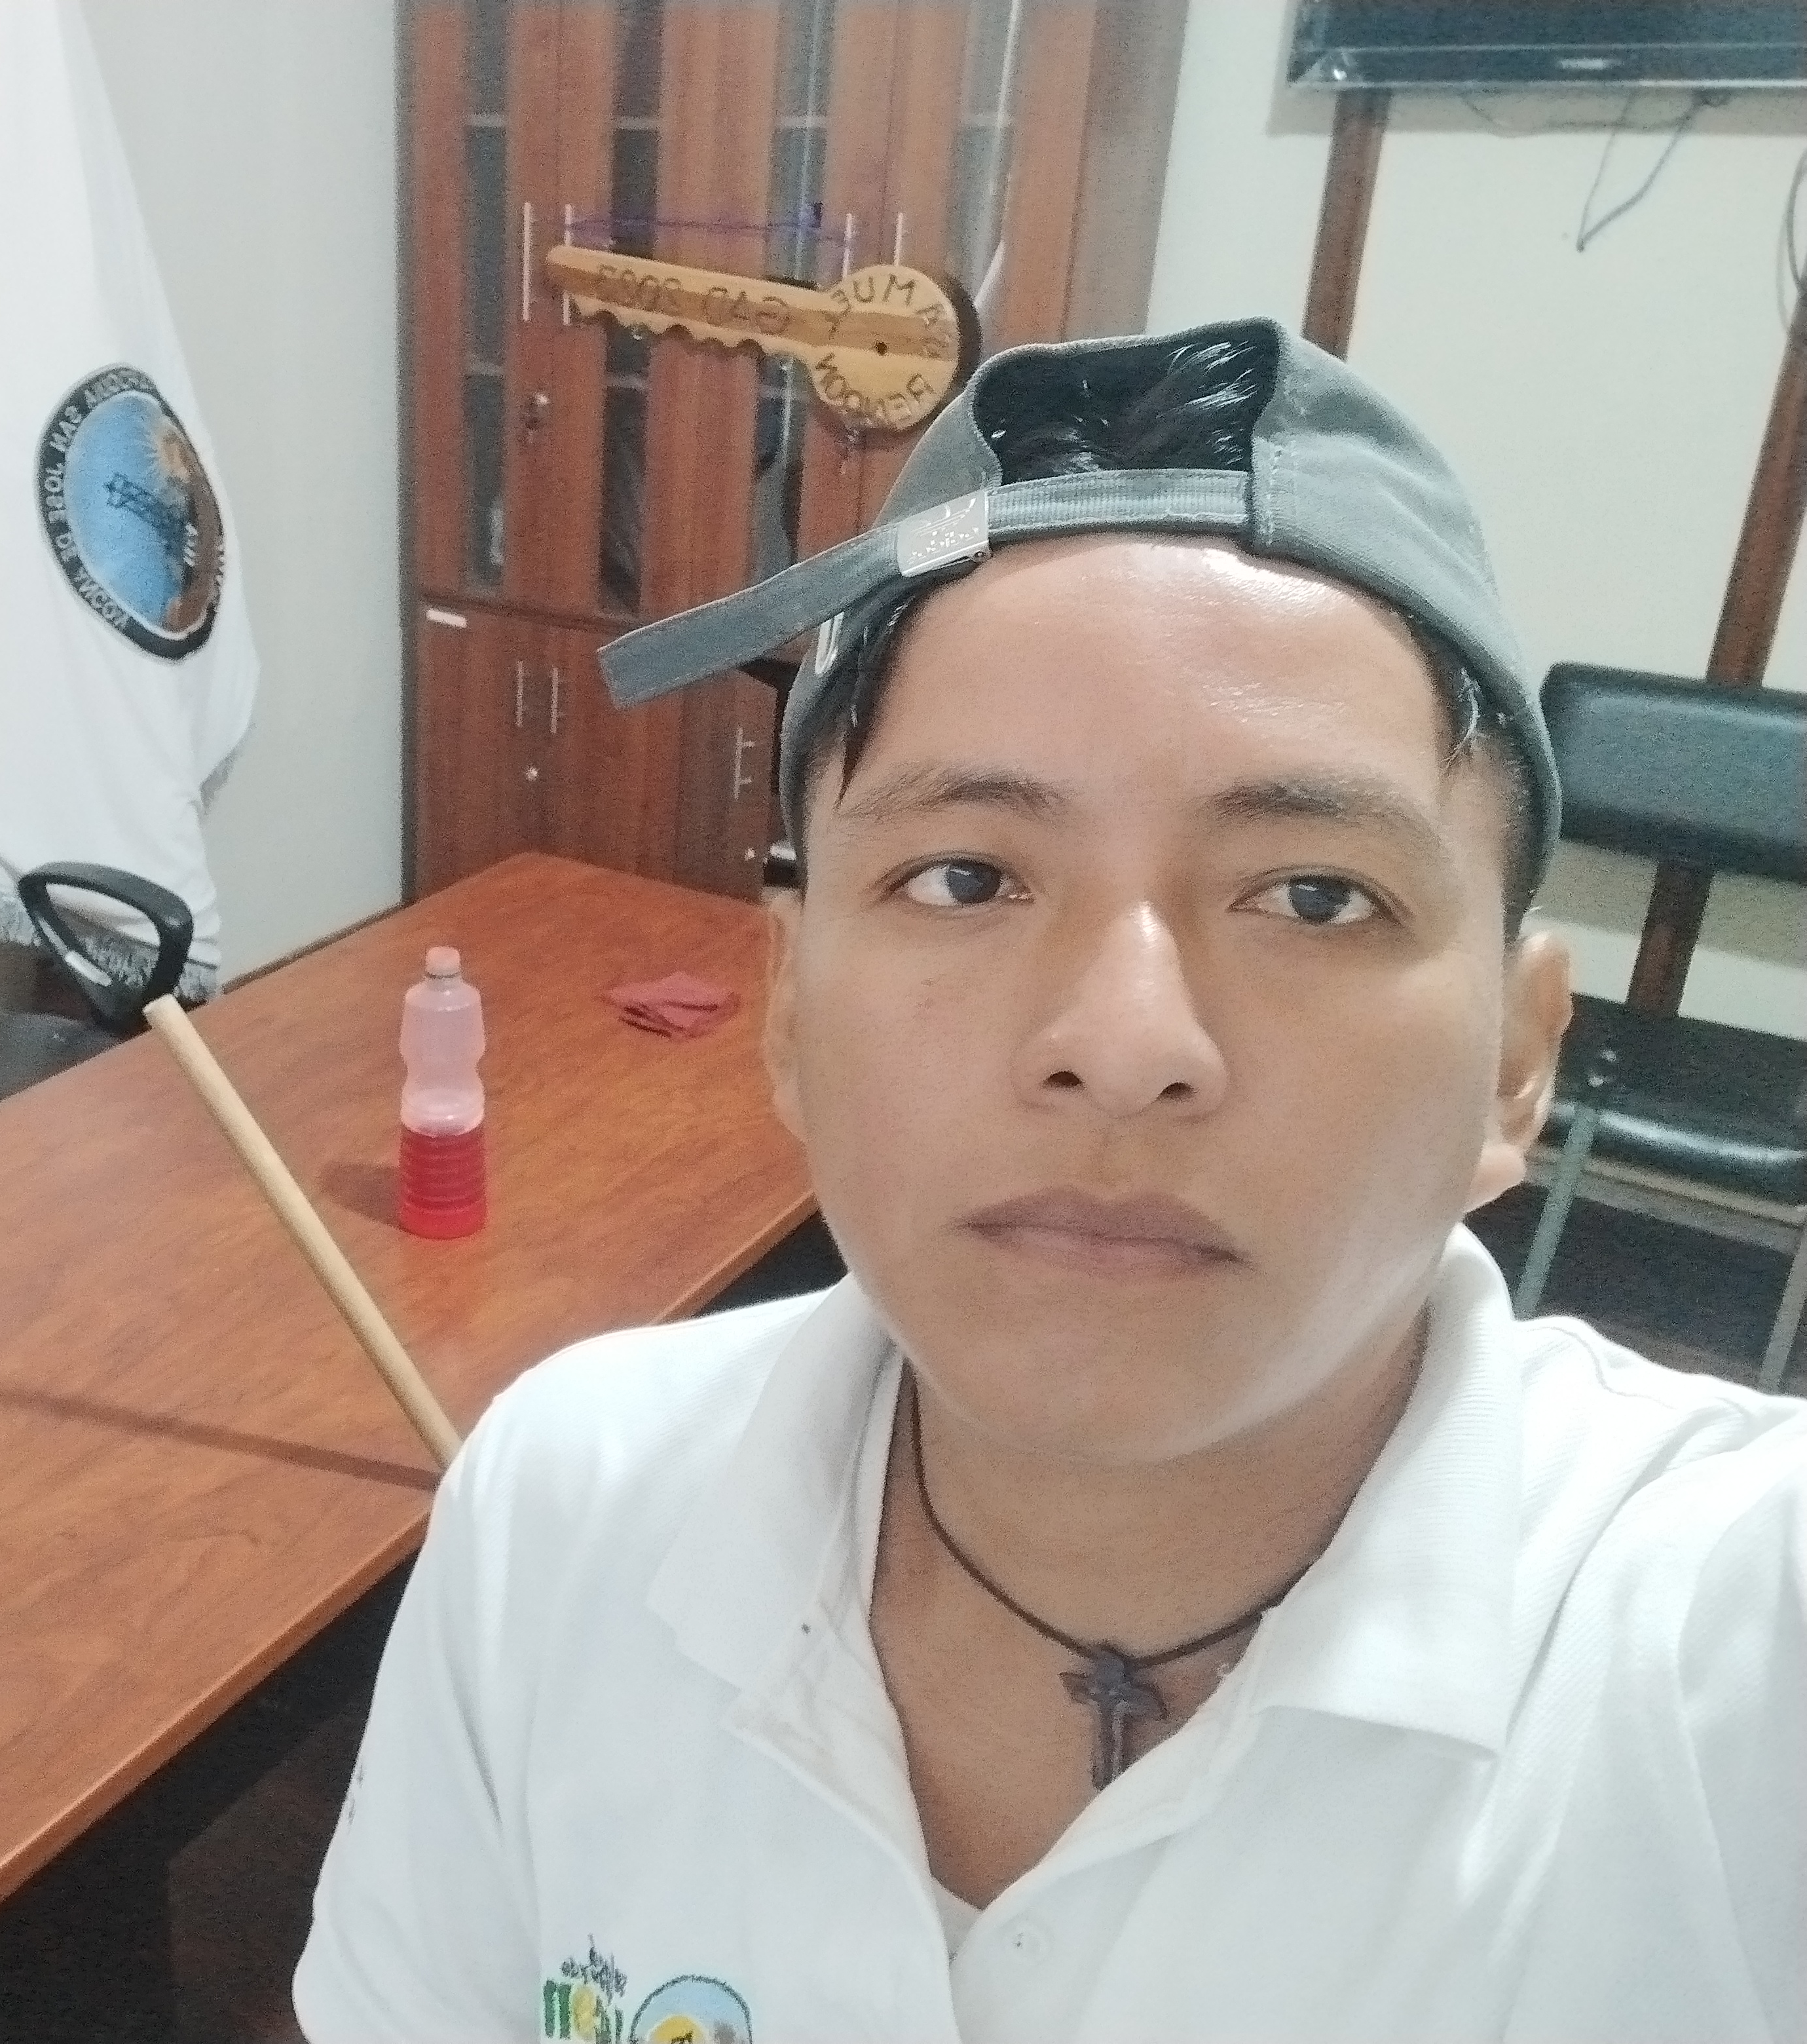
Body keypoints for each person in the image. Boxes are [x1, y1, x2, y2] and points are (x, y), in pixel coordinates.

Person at [293, 319, 1807, 2043]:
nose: (1124, 1041)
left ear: (1516, 1064)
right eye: (964, 876)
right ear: (787, 1011)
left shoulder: (1727, 1658)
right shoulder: (564, 1510)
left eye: (1315, 896)